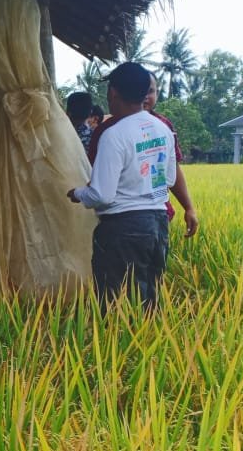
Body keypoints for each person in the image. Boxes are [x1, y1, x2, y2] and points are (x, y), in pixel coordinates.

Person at [67, 62, 177, 311]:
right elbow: (168, 179)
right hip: (158, 224)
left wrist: (78, 193)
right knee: (149, 298)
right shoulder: (163, 129)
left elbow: (102, 195)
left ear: (113, 93)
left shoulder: (114, 135)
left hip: (123, 228)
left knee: (114, 303)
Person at [88, 73, 199, 238]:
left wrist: (188, 207)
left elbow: (171, 171)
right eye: (141, 91)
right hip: (119, 219)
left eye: (150, 91)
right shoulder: (106, 132)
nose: (145, 97)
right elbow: (95, 173)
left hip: (157, 216)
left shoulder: (163, 126)